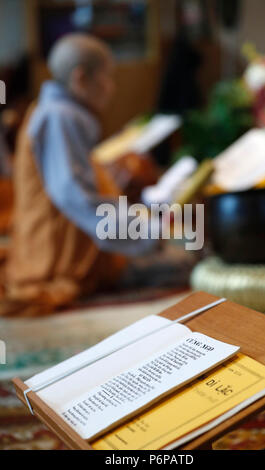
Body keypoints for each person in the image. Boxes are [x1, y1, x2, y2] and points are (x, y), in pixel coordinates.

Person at [1, 34, 158, 316]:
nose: (112, 88)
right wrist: (146, 234)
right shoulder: (60, 116)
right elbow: (76, 198)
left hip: (71, 244)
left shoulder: (55, 110)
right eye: (107, 78)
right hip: (58, 258)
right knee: (183, 261)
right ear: (80, 78)